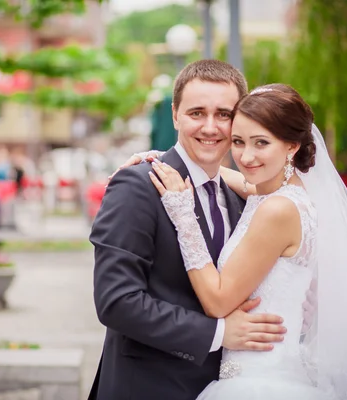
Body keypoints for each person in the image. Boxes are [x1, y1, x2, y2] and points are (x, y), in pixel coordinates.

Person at [143, 84, 347, 399]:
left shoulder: (277, 210)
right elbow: (240, 181)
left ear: (291, 146)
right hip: (275, 369)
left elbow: (218, 301)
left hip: (259, 381)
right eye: (238, 141)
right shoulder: (281, 193)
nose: (246, 156)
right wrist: (168, 161)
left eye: (261, 143)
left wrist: (183, 216)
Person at [89, 61, 292, 400]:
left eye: (223, 114)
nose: (210, 127)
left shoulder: (246, 198)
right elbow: (117, 302)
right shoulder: (137, 185)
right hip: (147, 388)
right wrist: (219, 332)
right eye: (197, 113)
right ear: (175, 116)